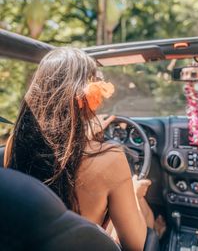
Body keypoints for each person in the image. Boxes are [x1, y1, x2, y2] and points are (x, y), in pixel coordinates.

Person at [4, 47, 164, 251]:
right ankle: (159, 228)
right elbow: (136, 246)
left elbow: (58, 155)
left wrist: (84, 134)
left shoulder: (14, 144)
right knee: (143, 211)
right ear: (86, 96)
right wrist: (133, 194)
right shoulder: (111, 158)